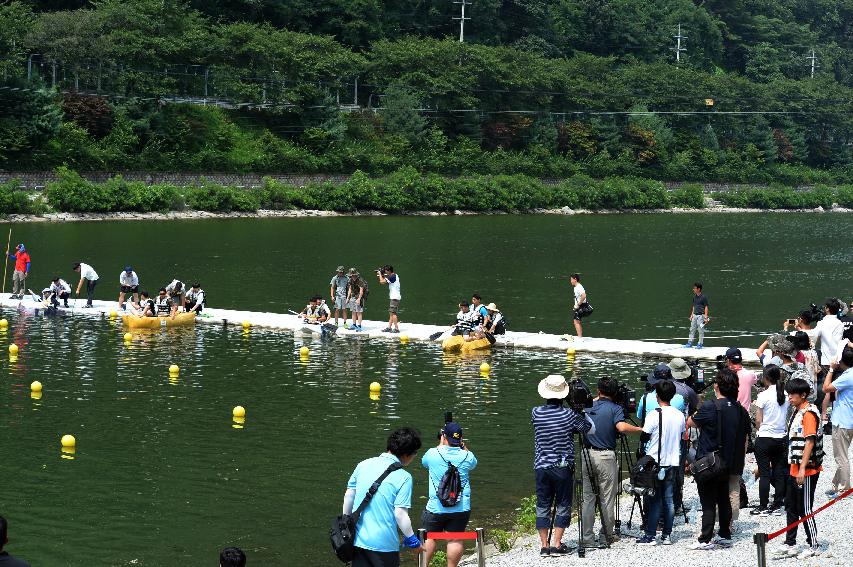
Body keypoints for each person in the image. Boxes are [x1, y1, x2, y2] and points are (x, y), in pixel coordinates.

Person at [531, 374, 595, 557]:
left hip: (541, 466)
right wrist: (579, 411)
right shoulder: (569, 415)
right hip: (562, 466)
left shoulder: (536, 412)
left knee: (543, 504)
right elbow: (588, 429)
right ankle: (557, 544)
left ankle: (544, 546)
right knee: (563, 503)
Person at [687, 368, 750, 550]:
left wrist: (698, 404)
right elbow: (745, 437)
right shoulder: (741, 410)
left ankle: (705, 538)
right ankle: (724, 534)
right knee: (724, 499)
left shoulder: (710, 406)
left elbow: (691, 423)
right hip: (730, 461)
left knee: (707, 501)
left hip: (710, 461)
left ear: (717, 386)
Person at [341, 427, 423, 567]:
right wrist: (412, 540)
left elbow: (349, 495)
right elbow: (400, 514)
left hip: (358, 541)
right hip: (384, 545)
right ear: (406, 454)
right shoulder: (404, 477)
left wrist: (346, 524)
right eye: (415, 453)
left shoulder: (363, 465)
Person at [581, 377, 643, 548]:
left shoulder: (587, 405)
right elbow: (622, 428)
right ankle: (606, 536)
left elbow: (592, 401)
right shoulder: (615, 408)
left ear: (598, 391)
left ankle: (587, 539)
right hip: (606, 457)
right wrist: (639, 429)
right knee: (607, 498)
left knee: (588, 499)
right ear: (615, 393)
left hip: (586, 455)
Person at [772, 378, 823, 560]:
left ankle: (814, 544)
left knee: (805, 508)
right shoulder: (797, 411)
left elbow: (809, 441)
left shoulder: (808, 413)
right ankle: (790, 542)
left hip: (806, 470)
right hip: (793, 467)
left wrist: (802, 469)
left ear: (803, 395)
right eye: (788, 394)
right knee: (791, 506)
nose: (789, 397)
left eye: (792, 394)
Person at [636, 380, 686, 546]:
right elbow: (681, 435)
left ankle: (650, 535)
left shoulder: (653, 414)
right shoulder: (680, 415)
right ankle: (667, 535)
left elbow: (644, 436)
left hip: (655, 463)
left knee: (655, 501)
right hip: (672, 461)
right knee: (669, 500)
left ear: (657, 395)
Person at [421, 422, 478, 567]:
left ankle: (424, 565)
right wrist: (463, 447)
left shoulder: (432, 453)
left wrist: (440, 444)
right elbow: (473, 464)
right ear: (460, 439)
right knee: (455, 539)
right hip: (460, 507)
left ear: (443, 436)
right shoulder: (467, 456)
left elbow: (424, 463)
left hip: (436, 506)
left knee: (430, 538)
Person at [750, 365, 789, 516]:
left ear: (766, 378)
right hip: (781, 437)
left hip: (765, 437)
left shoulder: (763, 395)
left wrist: (759, 429)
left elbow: (759, 420)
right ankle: (778, 503)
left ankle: (763, 505)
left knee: (764, 473)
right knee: (779, 471)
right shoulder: (785, 394)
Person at [822, 346, 853, 499]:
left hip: (843, 421)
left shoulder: (848, 376)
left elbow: (826, 388)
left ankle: (844, 489)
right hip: (850, 420)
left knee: (841, 457)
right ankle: (836, 484)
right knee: (842, 455)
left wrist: (831, 370)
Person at [722, 347, 758, 411]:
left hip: (728, 413)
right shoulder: (750, 374)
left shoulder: (723, 376)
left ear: (728, 360)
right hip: (745, 414)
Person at [684, 282, 709, 349]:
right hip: (694, 315)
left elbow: (706, 307)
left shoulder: (703, 297)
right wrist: (691, 315)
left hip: (701, 316)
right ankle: (690, 342)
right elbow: (694, 306)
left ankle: (700, 343)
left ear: (698, 289)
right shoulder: (694, 297)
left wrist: (706, 317)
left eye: (695, 288)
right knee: (692, 329)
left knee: (700, 330)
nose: (693, 289)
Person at [378, 265, 401, 333]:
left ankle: (396, 329)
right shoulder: (394, 275)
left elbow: (382, 282)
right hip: (395, 297)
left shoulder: (392, 276)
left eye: (385, 270)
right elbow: (386, 281)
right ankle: (389, 327)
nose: (385, 271)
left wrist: (380, 274)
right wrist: (382, 275)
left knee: (393, 313)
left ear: (388, 271)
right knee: (391, 313)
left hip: (395, 297)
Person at [570, 273, 589, 339]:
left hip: (582, 306)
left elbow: (584, 296)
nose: (571, 281)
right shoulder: (576, 287)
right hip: (580, 305)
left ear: (575, 279)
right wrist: (575, 306)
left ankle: (580, 338)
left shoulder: (579, 287)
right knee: (577, 321)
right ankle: (580, 337)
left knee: (576, 321)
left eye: (571, 279)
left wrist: (578, 304)